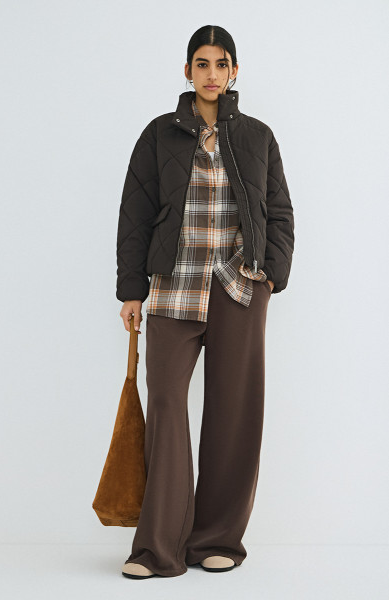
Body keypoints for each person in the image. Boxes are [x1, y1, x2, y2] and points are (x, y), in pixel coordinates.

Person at [116, 25, 295, 579]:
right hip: (173, 286)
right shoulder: (158, 135)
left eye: (221, 64)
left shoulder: (258, 136)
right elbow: (134, 214)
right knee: (167, 406)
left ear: (234, 71)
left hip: (239, 288)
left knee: (233, 412)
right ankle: (158, 548)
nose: (212, 74)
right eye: (202, 63)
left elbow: (280, 211)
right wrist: (131, 290)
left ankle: (217, 538)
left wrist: (271, 276)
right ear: (187, 71)